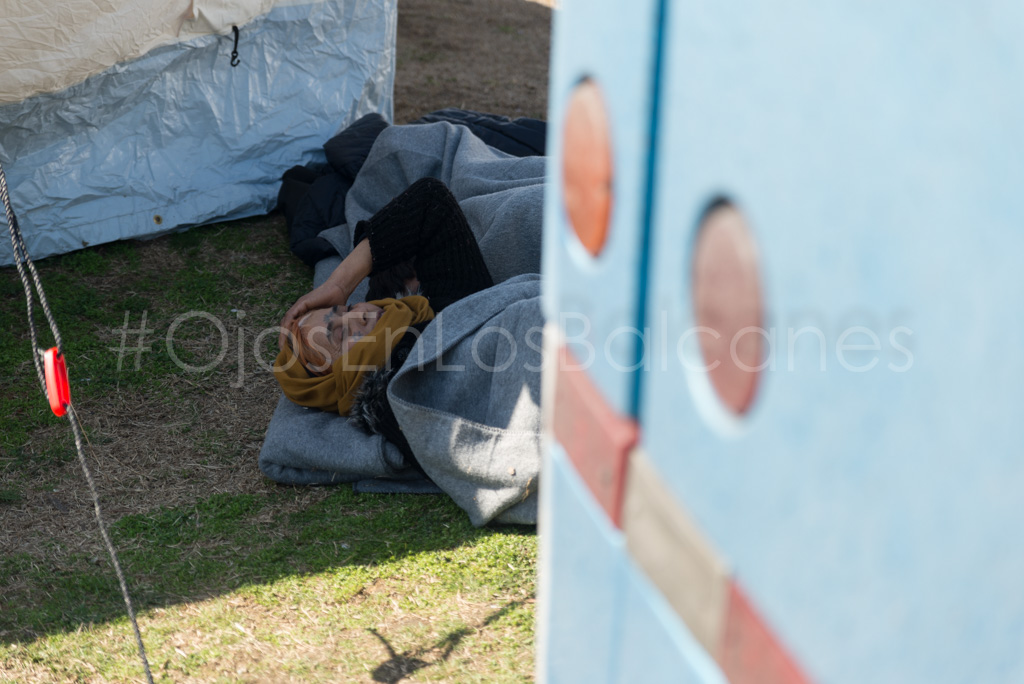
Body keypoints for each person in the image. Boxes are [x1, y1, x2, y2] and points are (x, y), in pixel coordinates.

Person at [273, 177, 494, 442]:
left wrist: (339, 285)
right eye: (342, 334)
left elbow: (430, 201)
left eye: (349, 307)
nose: (361, 314)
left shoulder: (446, 315)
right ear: (335, 381)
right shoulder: (400, 399)